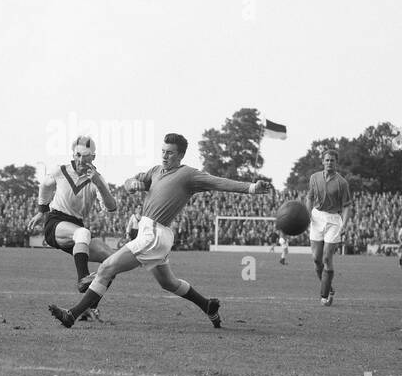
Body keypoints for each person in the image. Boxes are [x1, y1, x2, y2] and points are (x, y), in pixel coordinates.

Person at [48, 133, 271, 329]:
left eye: (170, 153)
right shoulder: (156, 171)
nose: (165, 156)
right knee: (168, 283)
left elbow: (218, 182)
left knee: (106, 267)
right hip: (155, 235)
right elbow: (130, 180)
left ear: (181, 156)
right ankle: (208, 305)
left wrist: (251, 188)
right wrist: (132, 183)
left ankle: (72, 315)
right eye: (163, 151)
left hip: (153, 234)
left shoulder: (188, 175)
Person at [28, 136, 119, 292]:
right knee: (83, 233)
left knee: (113, 261)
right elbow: (44, 185)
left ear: (93, 157)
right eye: (78, 155)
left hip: (77, 230)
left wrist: (98, 184)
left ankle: (89, 307)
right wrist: (41, 211)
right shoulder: (61, 170)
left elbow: (111, 208)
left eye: (85, 156)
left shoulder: (97, 179)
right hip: (56, 222)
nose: (81, 160)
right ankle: (83, 278)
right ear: (73, 154)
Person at [307, 149, 353, 306]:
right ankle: (329, 288)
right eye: (327, 160)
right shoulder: (314, 178)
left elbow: (347, 206)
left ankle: (324, 295)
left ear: (336, 163)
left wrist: (345, 224)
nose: (329, 163)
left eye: (332, 160)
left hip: (333, 220)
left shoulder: (342, 183)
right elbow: (310, 197)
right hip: (316, 217)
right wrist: (308, 214)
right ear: (322, 161)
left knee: (327, 258)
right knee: (316, 259)